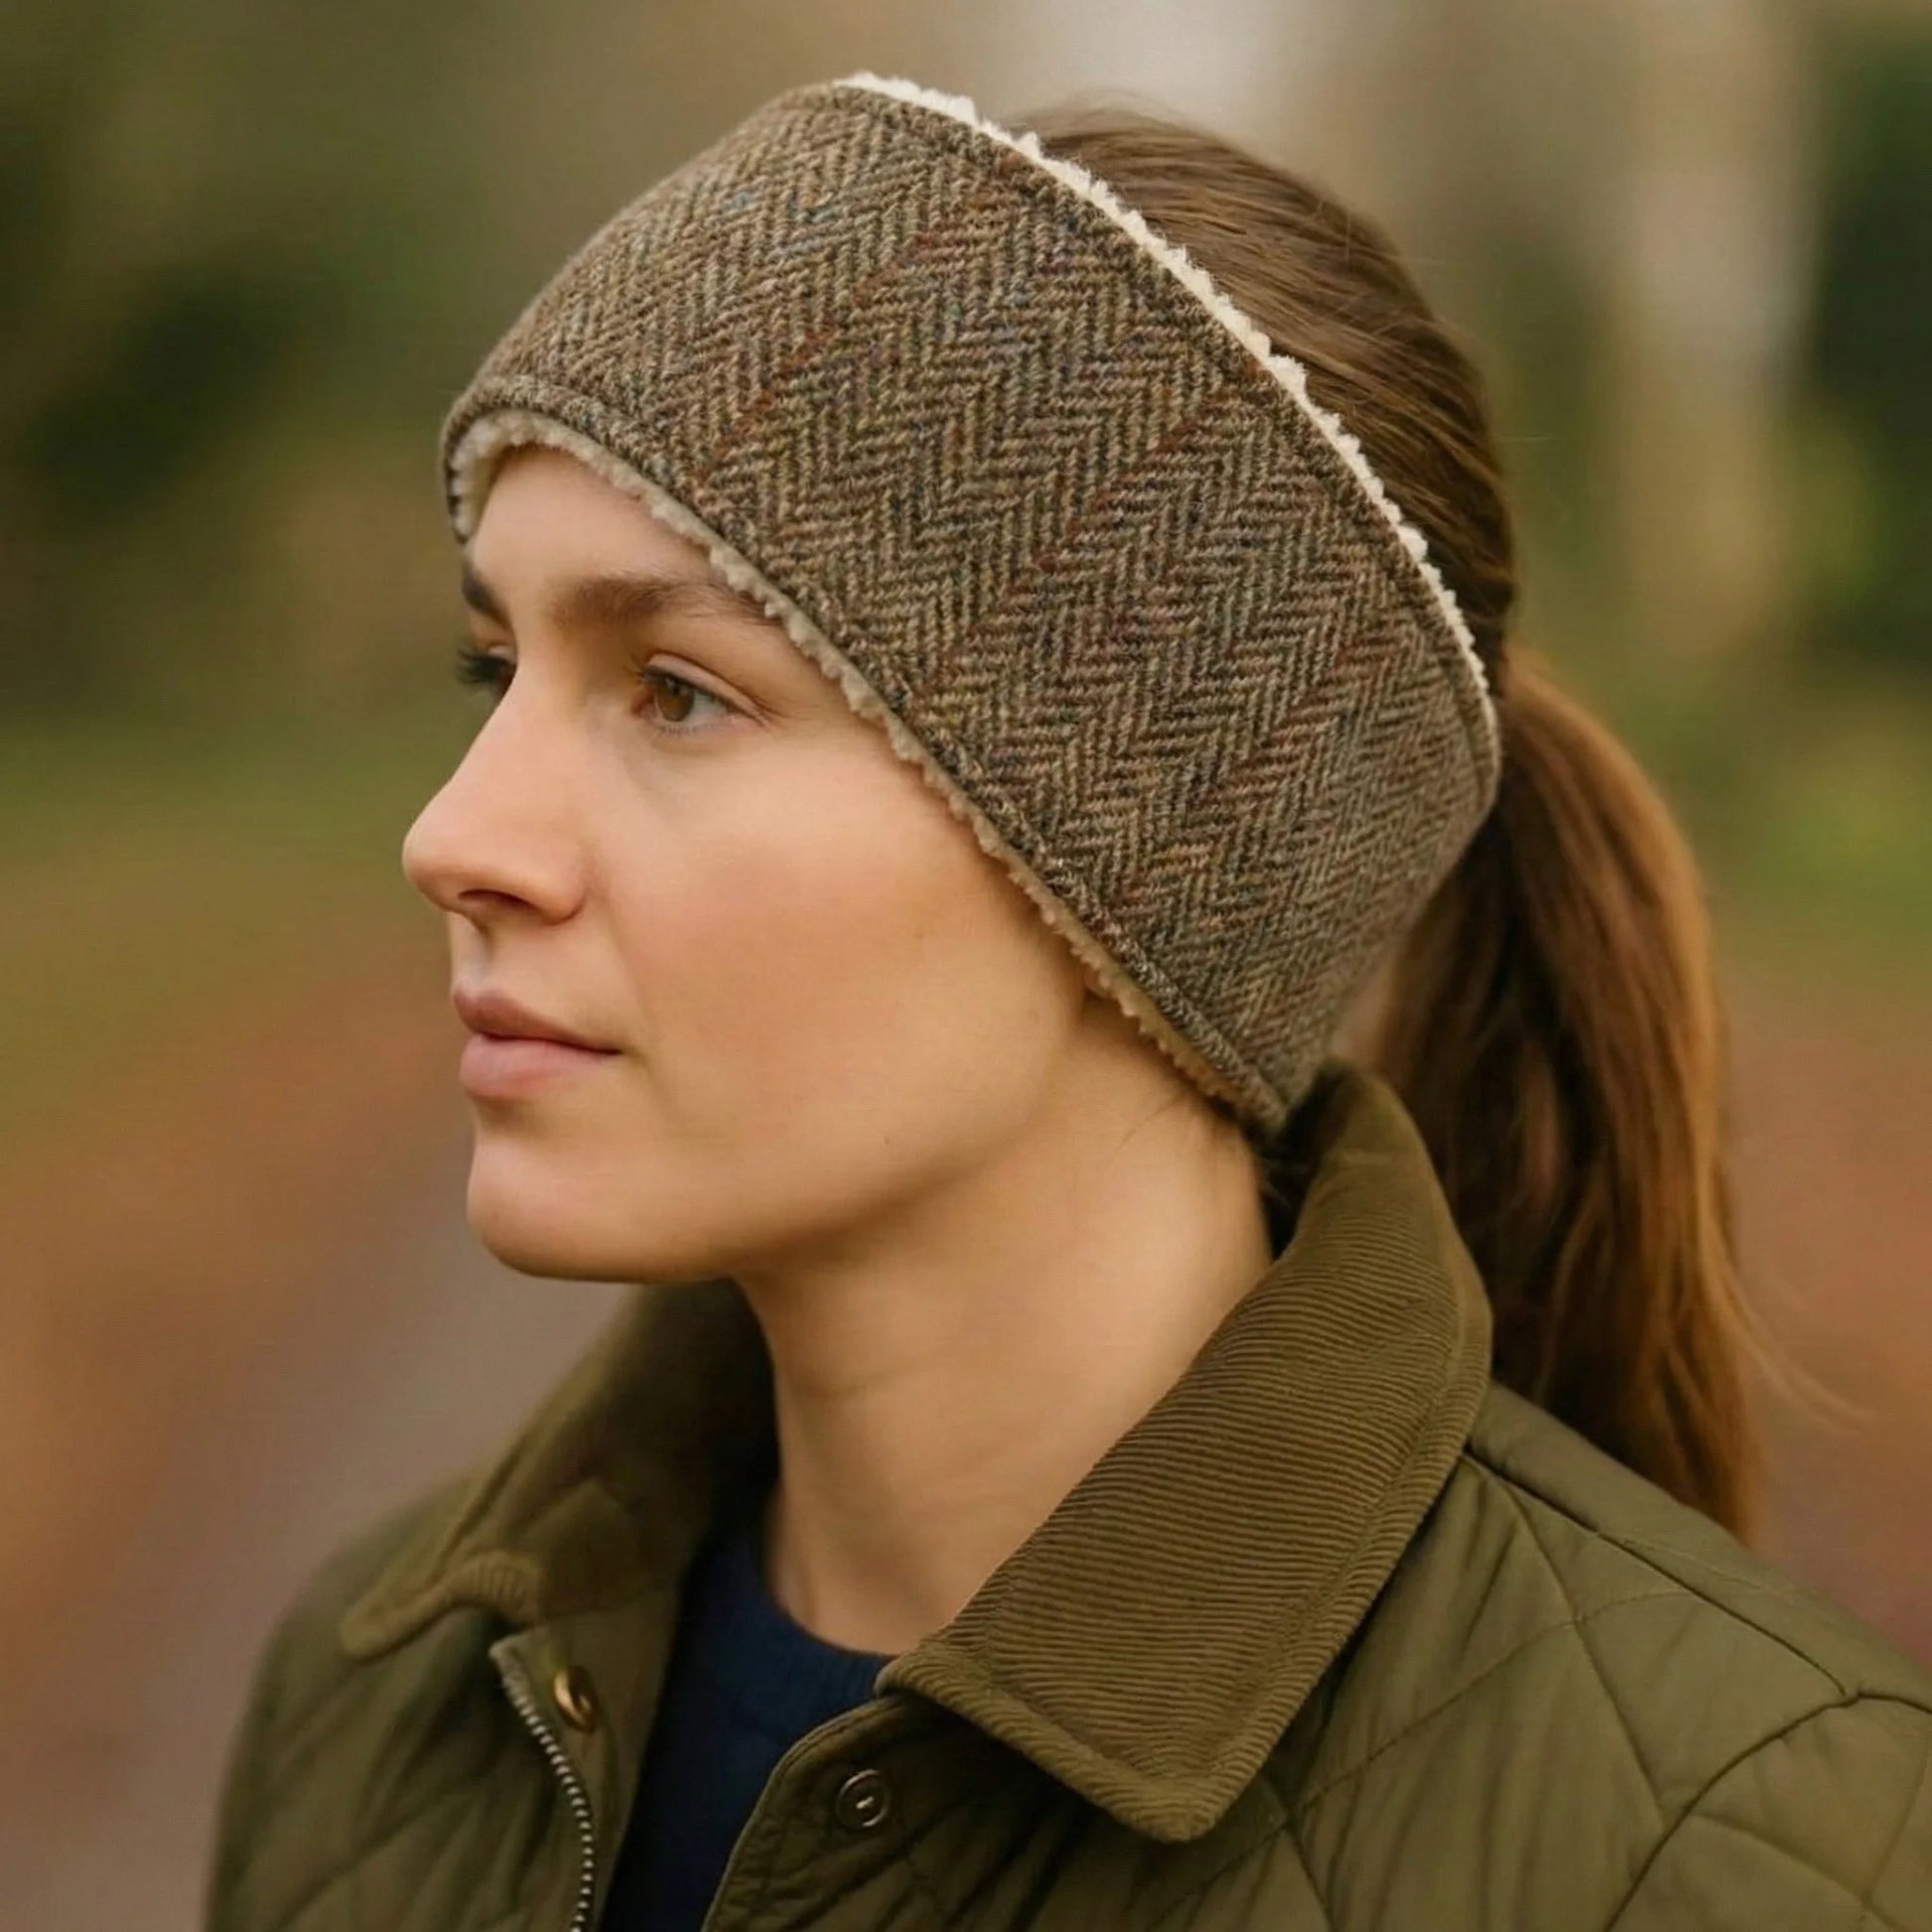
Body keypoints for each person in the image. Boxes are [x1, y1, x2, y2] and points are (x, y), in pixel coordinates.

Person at [204, 72, 1932, 1932]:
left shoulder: (1730, 1852)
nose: (457, 836)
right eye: (495, 667)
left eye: (677, 691)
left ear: (1161, 846)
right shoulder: (385, 1701)